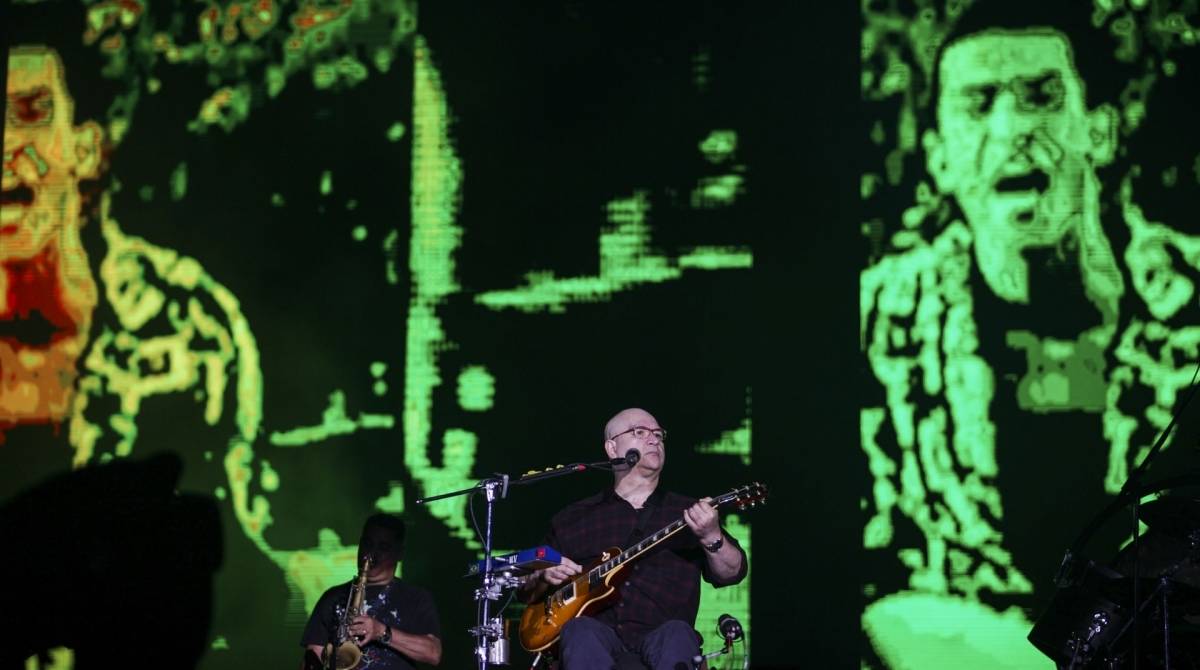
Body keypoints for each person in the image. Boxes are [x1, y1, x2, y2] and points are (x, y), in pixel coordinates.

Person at [860, 2, 1200, 667]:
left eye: (1041, 98)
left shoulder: (1190, 300)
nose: (1013, 129)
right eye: (978, 105)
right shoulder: (881, 318)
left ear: (1098, 131)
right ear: (939, 157)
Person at [518, 407, 747, 670]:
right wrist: (542, 576)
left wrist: (711, 535)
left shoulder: (688, 512)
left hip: (664, 641)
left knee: (677, 633)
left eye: (658, 435)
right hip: (594, 641)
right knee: (579, 631)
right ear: (612, 448)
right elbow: (524, 591)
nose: (653, 440)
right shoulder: (574, 518)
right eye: (639, 432)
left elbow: (733, 572)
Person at [302, 513, 442, 669]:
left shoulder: (416, 598)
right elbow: (312, 657)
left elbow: (433, 653)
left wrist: (380, 631)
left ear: (399, 553)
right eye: (368, 544)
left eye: (383, 547)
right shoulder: (332, 597)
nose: (371, 553)